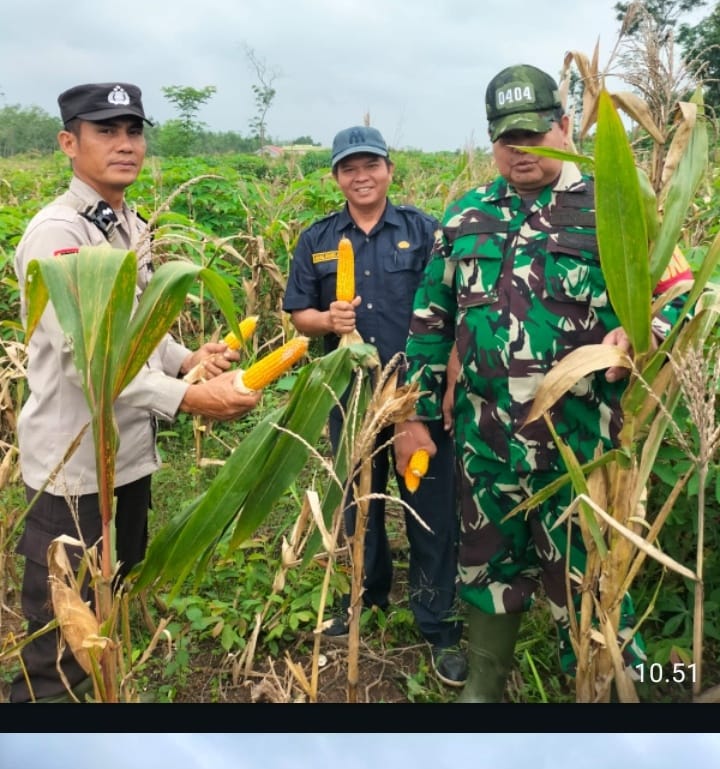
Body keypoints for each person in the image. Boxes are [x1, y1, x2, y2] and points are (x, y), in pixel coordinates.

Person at [398, 65, 686, 702]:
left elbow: (683, 293)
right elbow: (430, 322)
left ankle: (619, 687)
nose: (519, 150)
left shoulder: (615, 205)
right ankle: (484, 685)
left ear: (563, 126)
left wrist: (650, 329)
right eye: (506, 138)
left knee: (588, 578)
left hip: (581, 448)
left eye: (533, 134)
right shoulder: (467, 215)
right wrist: (413, 417)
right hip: (484, 443)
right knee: (485, 566)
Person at [11, 81, 261, 703]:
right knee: (60, 641)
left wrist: (186, 359)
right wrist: (188, 398)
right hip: (74, 476)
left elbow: (138, 336)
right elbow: (87, 363)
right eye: (105, 131)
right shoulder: (58, 236)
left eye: (133, 131)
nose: (125, 145)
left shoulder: (126, 224)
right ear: (69, 143)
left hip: (125, 463)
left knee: (111, 604)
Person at [283, 125, 466, 688]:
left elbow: (456, 301)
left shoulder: (425, 230)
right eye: (348, 168)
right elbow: (298, 314)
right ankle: (366, 597)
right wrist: (326, 321)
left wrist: (452, 377)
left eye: (371, 165)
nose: (361, 176)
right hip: (353, 392)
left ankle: (438, 621)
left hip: (417, 394)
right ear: (336, 177)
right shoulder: (316, 237)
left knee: (431, 506)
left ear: (389, 169)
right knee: (358, 502)